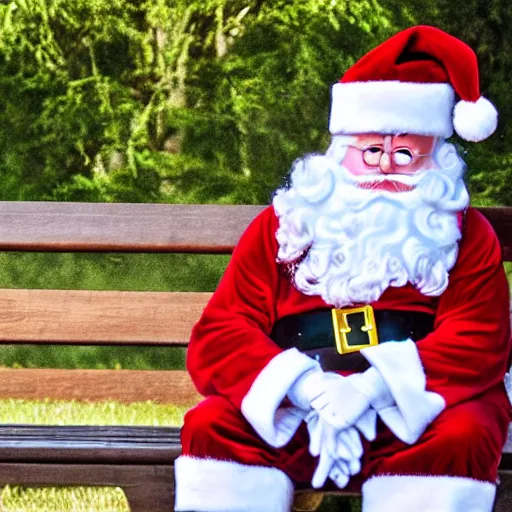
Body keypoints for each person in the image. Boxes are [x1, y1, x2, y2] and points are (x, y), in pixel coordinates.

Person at [174, 25, 512, 512]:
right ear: (340, 153)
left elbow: (479, 340)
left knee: (465, 431)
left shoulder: (466, 233)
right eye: (372, 151)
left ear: (437, 159)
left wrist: (374, 387)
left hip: (410, 415)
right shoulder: (284, 225)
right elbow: (222, 331)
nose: (385, 169)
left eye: (405, 155)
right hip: (296, 410)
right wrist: (306, 386)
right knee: (214, 426)